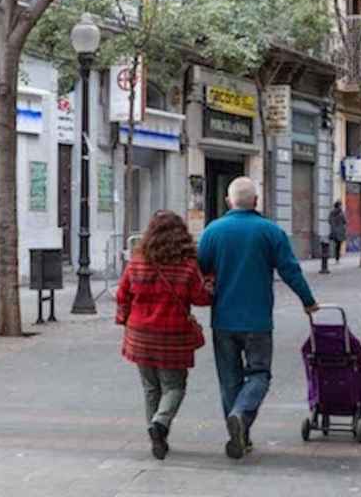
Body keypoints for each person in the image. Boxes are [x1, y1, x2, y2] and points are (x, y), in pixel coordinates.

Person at [198, 177, 318, 460]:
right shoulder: (270, 231)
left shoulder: (213, 231)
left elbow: (200, 270)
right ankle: (241, 416)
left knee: (229, 381)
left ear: (229, 201)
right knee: (259, 374)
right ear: (256, 201)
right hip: (258, 320)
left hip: (223, 320)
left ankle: (240, 434)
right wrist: (308, 301)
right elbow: (290, 270)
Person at [116, 210, 213, 460]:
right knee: (174, 386)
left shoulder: (137, 261)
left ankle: (156, 438)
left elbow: (122, 294)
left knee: (151, 388)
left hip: (140, 334)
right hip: (173, 336)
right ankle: (159, 424)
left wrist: (124, 320)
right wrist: (211, 285)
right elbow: (201, 299)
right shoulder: (187, 266)